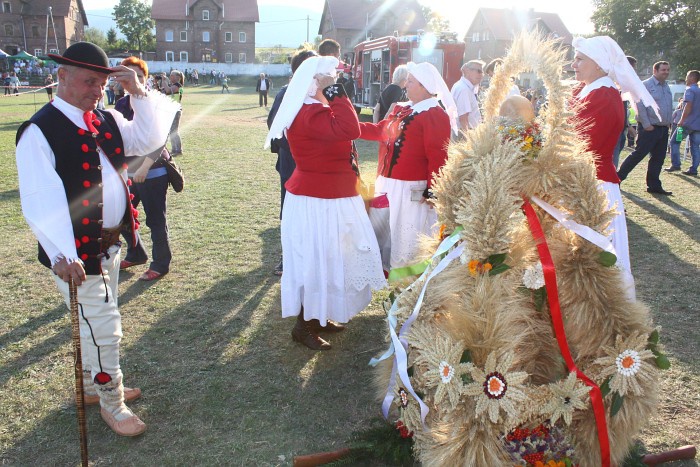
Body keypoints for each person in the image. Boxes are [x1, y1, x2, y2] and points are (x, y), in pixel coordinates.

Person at [15, 42, 179, 437]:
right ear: (62, 77)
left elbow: (147, 140)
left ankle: (93, 385)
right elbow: (40, 198)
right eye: (90, 81)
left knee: (94, 325)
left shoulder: (104, 118)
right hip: (77, 253)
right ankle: (113, 403)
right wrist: (61, 253)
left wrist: (138, 93)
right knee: (105, 328)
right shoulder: (40, 130)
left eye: (102, 83)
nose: (96, 90)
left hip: (110, 244)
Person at [265, 56, 386, 350]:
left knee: (332, 259)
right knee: (316, 261)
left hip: (329, 197)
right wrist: (334, 89)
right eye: (328, 78)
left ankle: (319, 317)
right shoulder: (308, 113)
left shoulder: (314, 110)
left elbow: (350, 126)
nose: (334, 81)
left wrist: (386, 129)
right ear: (315, 83)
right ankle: (303, 326)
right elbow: (349, 128)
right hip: (317, 201)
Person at [570, 36, 658, 301]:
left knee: (596, 258)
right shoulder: (584, 90)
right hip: (576, 180)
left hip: (593, 185)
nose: (573, 64)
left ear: (598, 65)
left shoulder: (605, 95)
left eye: (579, 59)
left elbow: (581, 144)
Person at [359, 61, 457, 270]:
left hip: (410, 188)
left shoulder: (434, 114)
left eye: (411, 82)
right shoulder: (403, 109)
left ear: (424, 86)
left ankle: (408, 273)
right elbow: (380, 131)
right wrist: (352, 128)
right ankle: (390, 269)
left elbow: (438, 155)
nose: (406, 86)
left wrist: (433, 189)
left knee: (407, 232)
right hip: (389, 183)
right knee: (388, 229)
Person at [115, 57, 173, 282]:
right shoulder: (121, 104)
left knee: (155, 220)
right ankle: (136, 252)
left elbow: (160, 139)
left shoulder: (156, 102)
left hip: (153, 170)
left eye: (139, 76)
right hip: (128, 171)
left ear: (146, 79)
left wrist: (145, 167)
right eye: (127, 75)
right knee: (121, 217)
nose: (133, 80)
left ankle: (161, 264)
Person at [267, 49, 317, 276]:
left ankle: (312, 256)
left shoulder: (322, 95)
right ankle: (287, 258)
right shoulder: (286, 94)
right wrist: (300, 150)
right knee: (290, 211)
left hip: (318, 169)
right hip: (293, 166)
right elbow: (275, 129)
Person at [617, 61, 674, 195]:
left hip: (663, 128)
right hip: (649, 128)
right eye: (663, 70)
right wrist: (646, 124)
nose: (666, 72)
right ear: (655, 71)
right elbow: (639, 105)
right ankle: (618, 179)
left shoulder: (666, 86)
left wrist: (668, 122)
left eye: (667, 70)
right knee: (638, 155)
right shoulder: (645, 85)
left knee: (658, 158)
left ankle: (654, 185)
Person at [676, 69, 700, 176]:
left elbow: (688, 106)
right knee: (695, 147)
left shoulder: (690, 90)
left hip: (687, 123)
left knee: (675, 142)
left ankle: (675, 164)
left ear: (692, 78)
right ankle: (694, 169)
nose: (686, 79)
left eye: (687, 76)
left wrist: (682, 120)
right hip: (697, 125)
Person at [451, 60, 485, 132]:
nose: (481, 75)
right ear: (467, 71)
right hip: (465, 133)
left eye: (482, 72)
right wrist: (468, 139)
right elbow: (463, 119)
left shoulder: (463, 86)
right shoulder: (464, 89)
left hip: (464, 131)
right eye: (479, 71)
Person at [160, 70, 184, 155]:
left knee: (174, 130)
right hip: (170, 110)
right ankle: (174, 149)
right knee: (171, 131)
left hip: (175, 110)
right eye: (170, 75)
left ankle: (179, 150)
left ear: (178, 77)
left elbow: (168, 91)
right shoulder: (172, 85)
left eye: (172, 76)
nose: (170, 77)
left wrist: (164, 80)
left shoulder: (178, 85)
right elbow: (163, 90)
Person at [666, 97, 684, 172]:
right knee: (676, 140)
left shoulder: (678, 111)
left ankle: (670, 150)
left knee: (673, 140)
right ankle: (670, 149)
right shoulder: (680, 112)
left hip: (677, 126)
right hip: (678, 126)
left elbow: (671, 118)